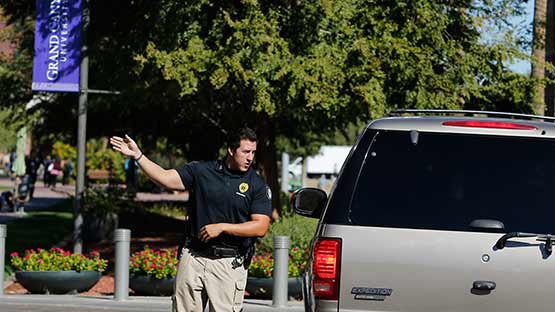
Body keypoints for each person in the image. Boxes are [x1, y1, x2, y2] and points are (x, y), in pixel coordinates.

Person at [110, 127, 272, 312]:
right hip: (193, 257)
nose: (250, 157)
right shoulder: (202, 171)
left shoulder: (256, 184)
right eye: (245, 152)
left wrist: (222, 228)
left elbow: (261, 226)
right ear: (231, 150)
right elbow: (165, 178)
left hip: (229, 262)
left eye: (253, 152)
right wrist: (138, 156)